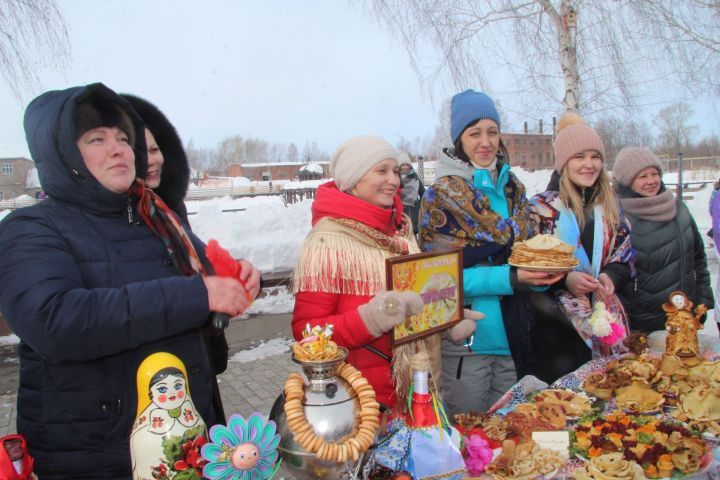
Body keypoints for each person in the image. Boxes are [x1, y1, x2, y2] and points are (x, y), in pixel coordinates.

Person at [0, 83, 261, 479]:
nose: (120, 148)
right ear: (62, 154)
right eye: (96, 138)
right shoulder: (31, 228)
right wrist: (197, 295)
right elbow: (55, 322)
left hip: (184, 442)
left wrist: (236, 280)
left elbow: (205, 283)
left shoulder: (155, 217)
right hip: (99, 455)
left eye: (123, 138)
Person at [292, 135, 475, 409]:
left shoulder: (400, 229)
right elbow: (306, 333)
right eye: (381, 171)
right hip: (360, 401)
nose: (394, 180)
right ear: (354, 180)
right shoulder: (327, 241)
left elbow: (409, 300)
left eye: (394, 170)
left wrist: (444, 316)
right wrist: (372, 318)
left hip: (416, 389)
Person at [418, 90, 563, 416]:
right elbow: (438, 280)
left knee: (513, 438)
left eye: (492, 132)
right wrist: (511, 278)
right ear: (459, 140)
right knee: (470, 444)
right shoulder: (441, 198)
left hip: (515, 337)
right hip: (468, 345)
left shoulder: (515, 190)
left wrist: (540, 276)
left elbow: (524, 256)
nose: (485, 142)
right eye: (474, 133)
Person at [121, 93, 230, 420]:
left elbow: (194, 273)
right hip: (154, 383)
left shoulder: (169, 211)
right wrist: (199, 296)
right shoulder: (121, 219)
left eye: (155, 149)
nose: (152, 160)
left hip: (195, 365)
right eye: (142, 151)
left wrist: (221, 297)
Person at [528, 113, 635, 384]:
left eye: (595, 157)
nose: (589, 165)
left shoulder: (609, 207)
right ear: (564, 163)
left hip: (607, 322)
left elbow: (626, 257)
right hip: (556, 329)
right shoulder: (542, 209)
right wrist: (566, 278)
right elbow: (528, 268)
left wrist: (610, 275)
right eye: (579, 157)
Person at [612, 147, 713, 334]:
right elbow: (613, 272)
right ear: (627, 181)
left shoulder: (679, 209)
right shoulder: (616, 217)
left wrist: (703, 300)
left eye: (655, 174)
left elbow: (698, 259)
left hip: (683, 318)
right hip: (639, 326)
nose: (651, 181)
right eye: (642, 176)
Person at [120, 94, 191, 223]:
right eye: (139, 154)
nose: (151, 161)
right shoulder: (121, 215)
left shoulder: (173, 207)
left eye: (154, 150)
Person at [398, 152, 425, 234]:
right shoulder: (395, 179)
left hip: (414, 212)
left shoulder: (415, 178)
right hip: (400, 211)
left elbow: (424, 194)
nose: (405, 167)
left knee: (413, 234)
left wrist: (418, 204)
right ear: (399, 166)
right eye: (403, 165)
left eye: (407, 165)